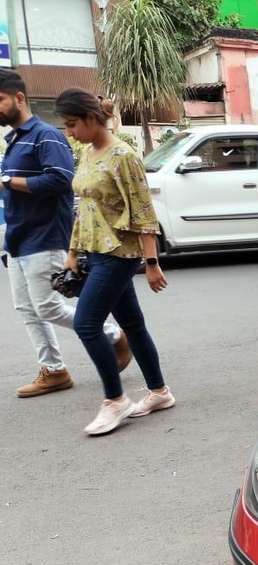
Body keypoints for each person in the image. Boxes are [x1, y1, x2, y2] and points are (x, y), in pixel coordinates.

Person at [0, 69, 129, 398]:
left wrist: (7, 182)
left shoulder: (45, 135)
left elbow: (60, 180)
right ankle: (54, 369)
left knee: (48, 308)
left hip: (44, 237)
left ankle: (114, 336)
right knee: (27, 309)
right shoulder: (13, 141)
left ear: (19, 98)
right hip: (16, 238)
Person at [55, 89, 175, 436]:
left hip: (119, 253)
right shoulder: (88, 153)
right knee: (133, 325)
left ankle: (114, 400)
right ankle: (160, 392)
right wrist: (74, 252)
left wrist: (152, 262)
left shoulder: (123, 156)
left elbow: (143, 211)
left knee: (87, 324)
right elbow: (86, 207)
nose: (70, 133)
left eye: (73, 124)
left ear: (92, 119)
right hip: (95, 251)